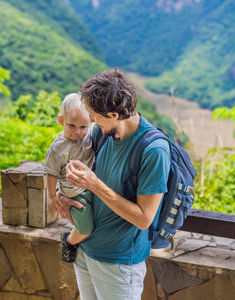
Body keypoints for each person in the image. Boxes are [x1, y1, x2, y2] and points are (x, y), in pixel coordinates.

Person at [57, 68, 171, 300]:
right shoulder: (101, 133)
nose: (90, 122)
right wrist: (64, 195)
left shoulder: (154, 151)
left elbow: (143, 218)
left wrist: (95, 184)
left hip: (119, 264)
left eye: (95, 116)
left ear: (113, 114)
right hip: (85, 250)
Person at [44, 93, 94, 263]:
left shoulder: (90, 134)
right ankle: (70, 241)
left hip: (92, 186)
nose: (78, 132)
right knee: (85, 228)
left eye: (83, 127)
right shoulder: (58, 148)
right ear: (61, 121)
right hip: (74, 193)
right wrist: (51, 196)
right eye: (71, 125)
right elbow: (51, 173)